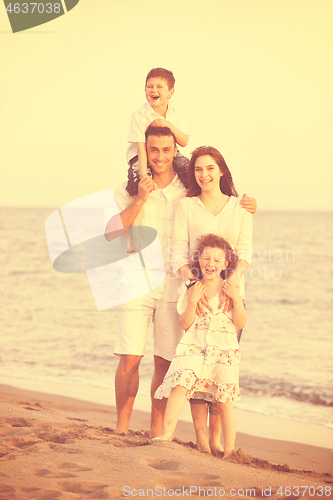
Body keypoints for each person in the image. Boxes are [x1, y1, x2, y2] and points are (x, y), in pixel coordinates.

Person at [104, 126, 256, 438]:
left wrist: (247, 204)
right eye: (153, 150)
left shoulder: (187, 187)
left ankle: (156, 432)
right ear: (144, 151)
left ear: (176, 151)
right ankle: (120, 430)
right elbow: (110, 233)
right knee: (130, 358)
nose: (159, 157)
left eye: (166, 150)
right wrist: (140, 199)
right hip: (137, 279)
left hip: (175, 286)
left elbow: (217, 201)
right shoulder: (132, 187)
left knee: (166, 361)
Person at [170, 145, 253, 454]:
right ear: (194, 174)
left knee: (222, 370)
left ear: (221, 170)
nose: (204, 174)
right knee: (195, 366)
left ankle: (217, 439)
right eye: (198, 169)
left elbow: (245, 251)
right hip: (197, 297)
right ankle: (202, 440)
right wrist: (194, 287)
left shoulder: (241, 207)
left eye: (209, 168)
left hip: (231, 298)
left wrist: (232, 282)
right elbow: (178, 252)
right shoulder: (185, 207)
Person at [154, 234, 247, 459]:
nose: (210, 264)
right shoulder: (191, 288)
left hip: (223, 350)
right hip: (194, 345)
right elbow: (185, 323)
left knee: (224, 400)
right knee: (180, 382)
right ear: (199, 260)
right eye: (206, 258)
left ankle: (230, 448)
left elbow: (241, 323)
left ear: (226, 264)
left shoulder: (231, 289)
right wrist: (193, 300)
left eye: (217, 260)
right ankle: (166, 433)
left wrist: (235, 299)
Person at [126, 68, 190, 195]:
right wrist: (144, 177)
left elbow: (184, 141)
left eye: (159, 86)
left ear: (170, 92)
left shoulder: (176, 110)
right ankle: (136, 202)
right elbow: (141, 149)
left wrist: (168, 125)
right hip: (141, 154)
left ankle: (195, 196)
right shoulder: (139, 115)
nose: (153, 90)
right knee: (137, 177)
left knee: (188, 169)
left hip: (166, 151)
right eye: (150, 86)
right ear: (145, 91)